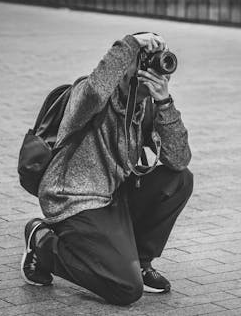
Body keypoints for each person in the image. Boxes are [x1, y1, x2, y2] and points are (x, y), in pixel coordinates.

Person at [20, 33, 193, 305]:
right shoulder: (89, 97)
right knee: (126, 289)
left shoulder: (146, 105)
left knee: (179, 180)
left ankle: (140, 261)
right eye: (144, 65)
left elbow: (179, 159)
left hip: (112, 197)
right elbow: (96, 89)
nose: (156, 73)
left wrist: (164, 103)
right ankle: (42, 242)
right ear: (125, 68)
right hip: (76, 200)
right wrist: (131, 43)